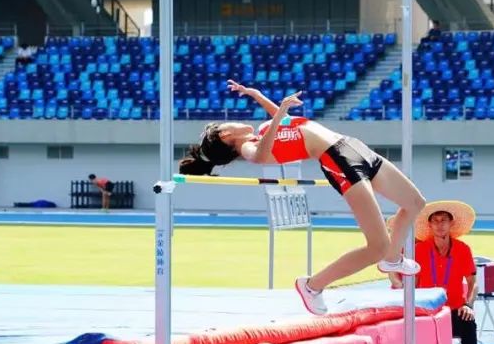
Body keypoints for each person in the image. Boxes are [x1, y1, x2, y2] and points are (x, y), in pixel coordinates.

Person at [179, 79, 425, 315]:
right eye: (224, 125)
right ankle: (313, 285)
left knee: (415, 203)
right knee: (377, 246)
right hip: (338, 160)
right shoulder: (249, 147)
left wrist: (256, 95)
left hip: (353, 147)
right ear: (224, 137)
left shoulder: (265, 131)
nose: (230, 121)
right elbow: (262, 156)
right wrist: (279, 113)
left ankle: (392, 259)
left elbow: (284, 120)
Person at [390, 201, 479, 344]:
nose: (440, 224)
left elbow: (473, 282)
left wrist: (468, 304)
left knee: (469, 323)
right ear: (429, 225)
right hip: (427, 313)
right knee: (405, 329)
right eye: (435, 221)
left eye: (444, 220)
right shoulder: (419, 250)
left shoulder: (463, 249)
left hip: (454, 309)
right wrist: (395, 280)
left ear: (451, 224)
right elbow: (396, 270)